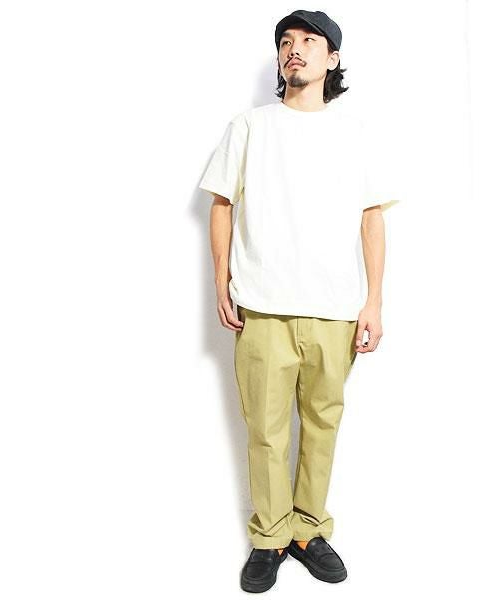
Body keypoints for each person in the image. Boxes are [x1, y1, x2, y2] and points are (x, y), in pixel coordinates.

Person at [198, 9, 398, 593]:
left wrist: (374, 302)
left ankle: (308, 530)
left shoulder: (354, 132)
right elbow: (221, 204)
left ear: (332, 58)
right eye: (287, 41)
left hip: (335, 308)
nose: (296, 48)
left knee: (321, 424)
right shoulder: (250, 126)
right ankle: (269, 536)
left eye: (311, 40)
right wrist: (219, 281)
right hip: (262, 305)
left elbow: (371, 218)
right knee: (265, 429)